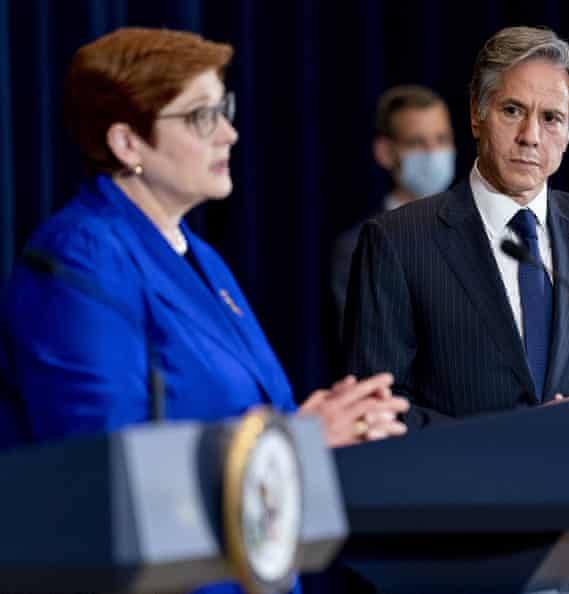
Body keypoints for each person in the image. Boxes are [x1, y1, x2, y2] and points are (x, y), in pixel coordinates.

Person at [0, 27, 408, 594]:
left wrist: (324, 425)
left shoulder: (203, 259)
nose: (230, 133)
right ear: (127, 142)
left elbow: (255, 419)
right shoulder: (81, 258)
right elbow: (101, 478)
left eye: (226, 109)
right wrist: (297, 439)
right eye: (200, 117)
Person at [343, 26, 569, 594]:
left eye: (551, 118)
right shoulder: (400, 240)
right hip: (454, 555)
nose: (531, 135)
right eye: (512, 110)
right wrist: (509, 448)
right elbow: (376, 407)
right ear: (477, 115)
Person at [329, 84, 455, 339]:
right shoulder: (357, 247)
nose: (433, 153)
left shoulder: (482, 231)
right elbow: (364, 346)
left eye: (442, 139)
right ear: (386, 153)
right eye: (418, 142)